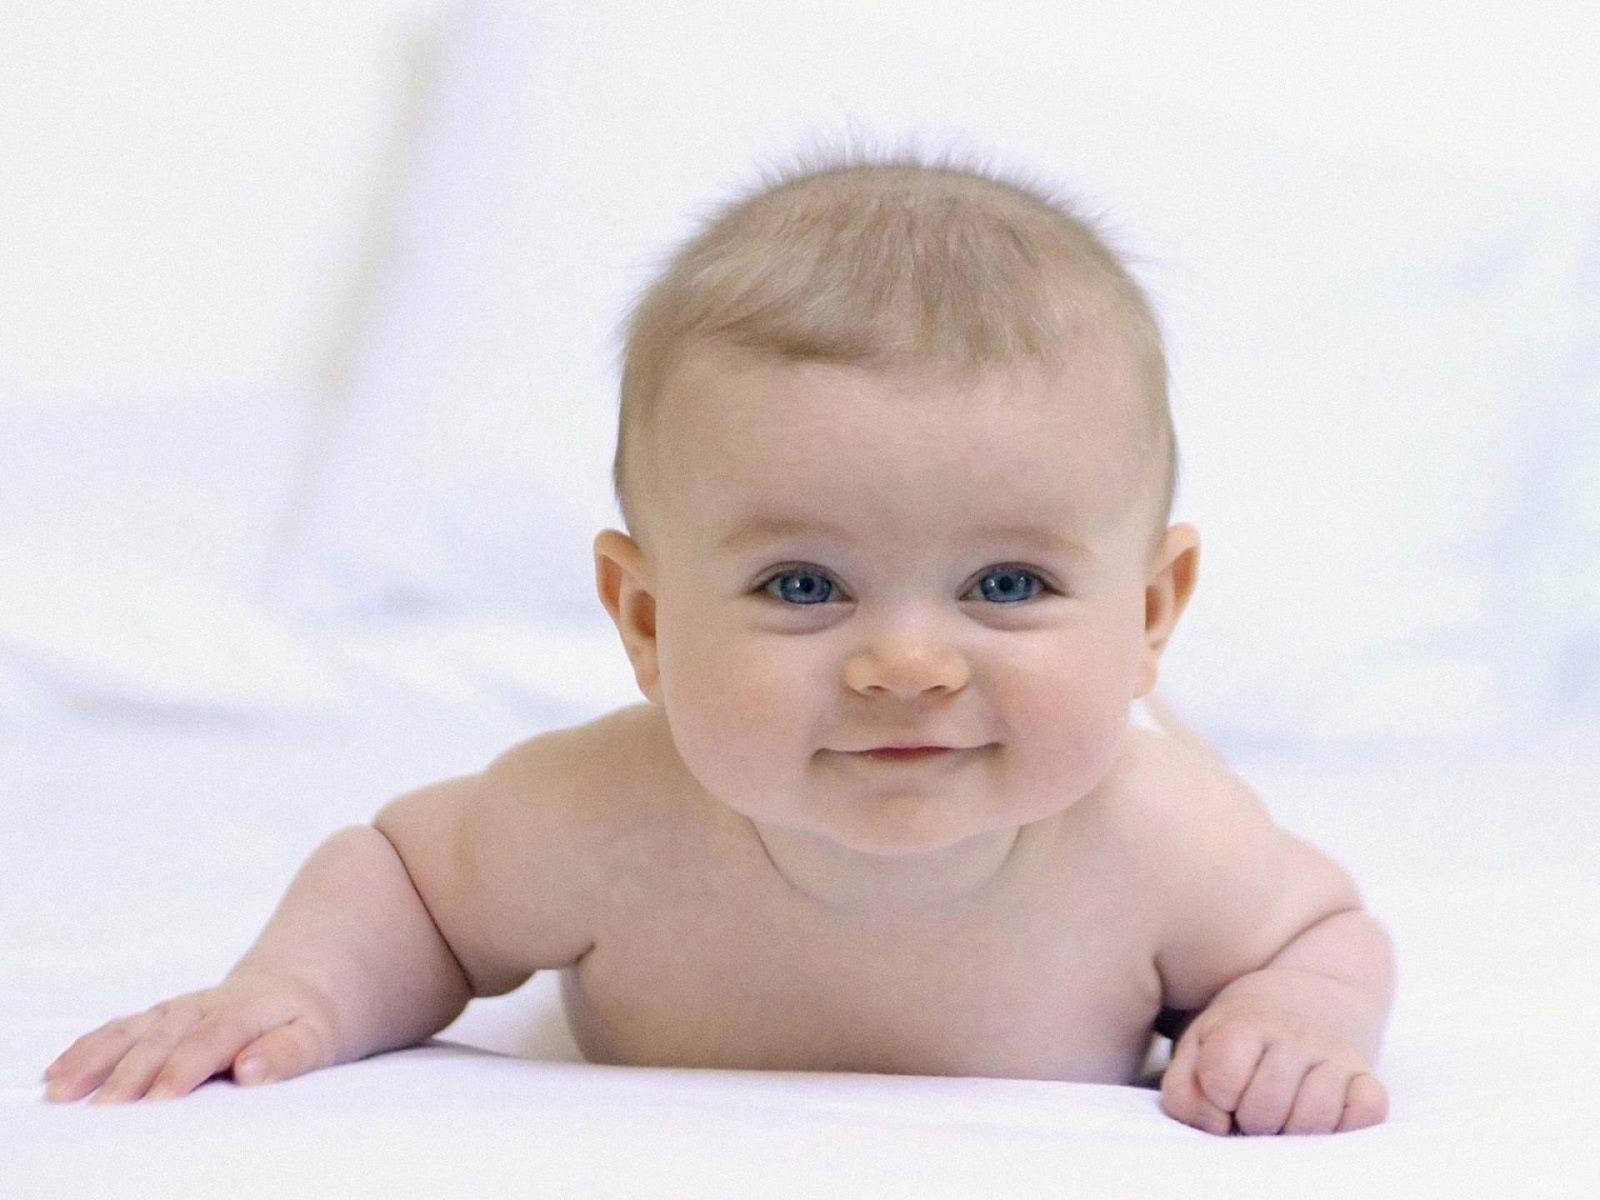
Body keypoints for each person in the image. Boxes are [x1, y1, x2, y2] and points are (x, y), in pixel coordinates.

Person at [42, 147, 1394, 1136]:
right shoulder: (600, 818)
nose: (907, 663)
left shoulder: (1163, 839)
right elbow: (403, 880)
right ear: (643, 618)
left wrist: (1297, 1020)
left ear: (1151, 615)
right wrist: (299, 990)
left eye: (1007, 581)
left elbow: (1326, 929)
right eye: (805, 587)